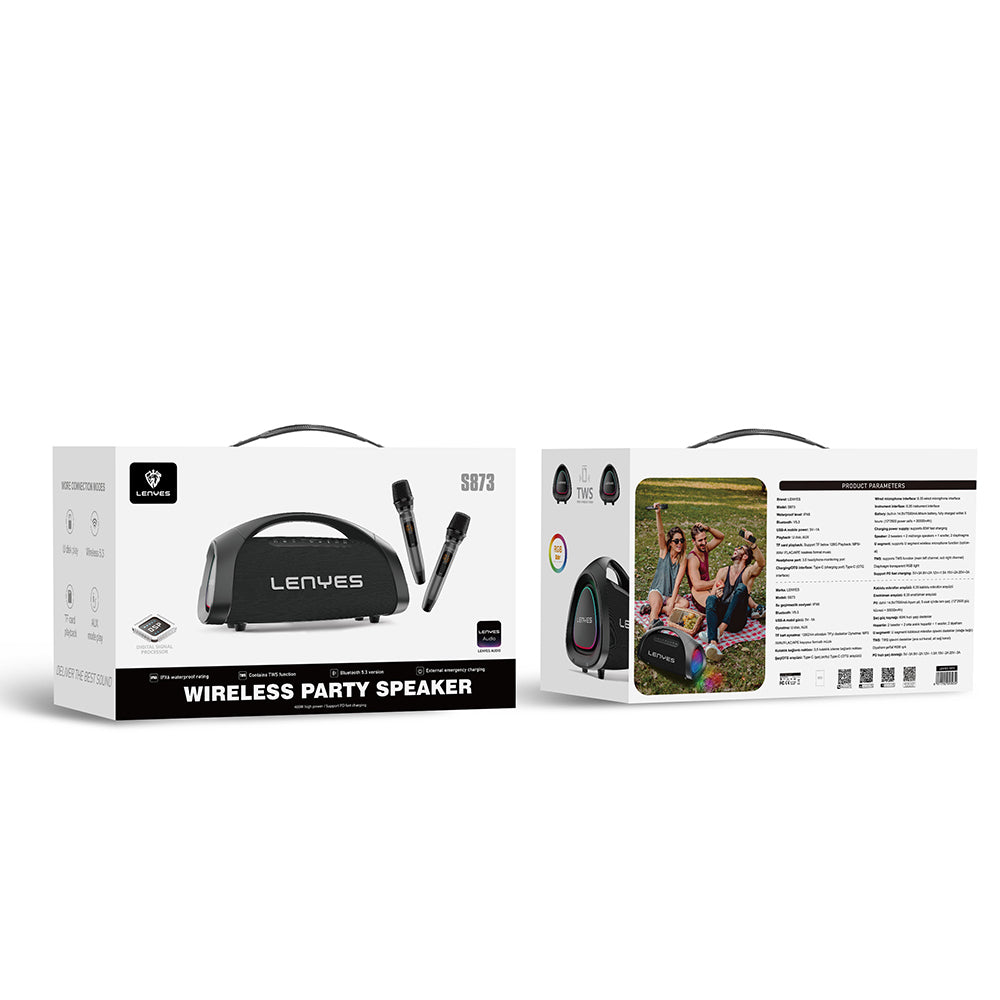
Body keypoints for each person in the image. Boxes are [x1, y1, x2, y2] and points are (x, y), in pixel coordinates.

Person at [703, 529, 766, 662]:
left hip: (736, 621)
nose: (735, 549)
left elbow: (761, 563)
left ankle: (719, 630)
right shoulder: (723, 571)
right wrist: (717, 595)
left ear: (745, 557)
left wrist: (752, 544)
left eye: (740, 548)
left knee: (742, 588)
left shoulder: (748, 573)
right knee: (710, 598)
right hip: (721, 615)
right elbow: (712, 596)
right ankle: (713, 643)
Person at [639, 505, 689, 623]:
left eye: (681, 540)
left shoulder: (682, 559)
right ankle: (654, 623)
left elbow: (677, 584)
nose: (679, 544)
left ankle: (655, 609)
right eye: (676, 541)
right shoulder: (664, 552)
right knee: (657, 604)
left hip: (670, 595)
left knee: (685, 604)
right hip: (657, 591)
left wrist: (671, 603)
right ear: (670, 542)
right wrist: (658, 513)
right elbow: (661, 534)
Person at [686, 522, 725, 612]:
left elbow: (720, 537)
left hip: (710, 590)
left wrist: (708, 528)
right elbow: (697, 585)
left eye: (705, 539)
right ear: (693, 541)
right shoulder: (693, 559)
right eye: (700, 540)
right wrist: (717, 581)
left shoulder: (704, 549)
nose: (704, 543)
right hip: (700, 598)